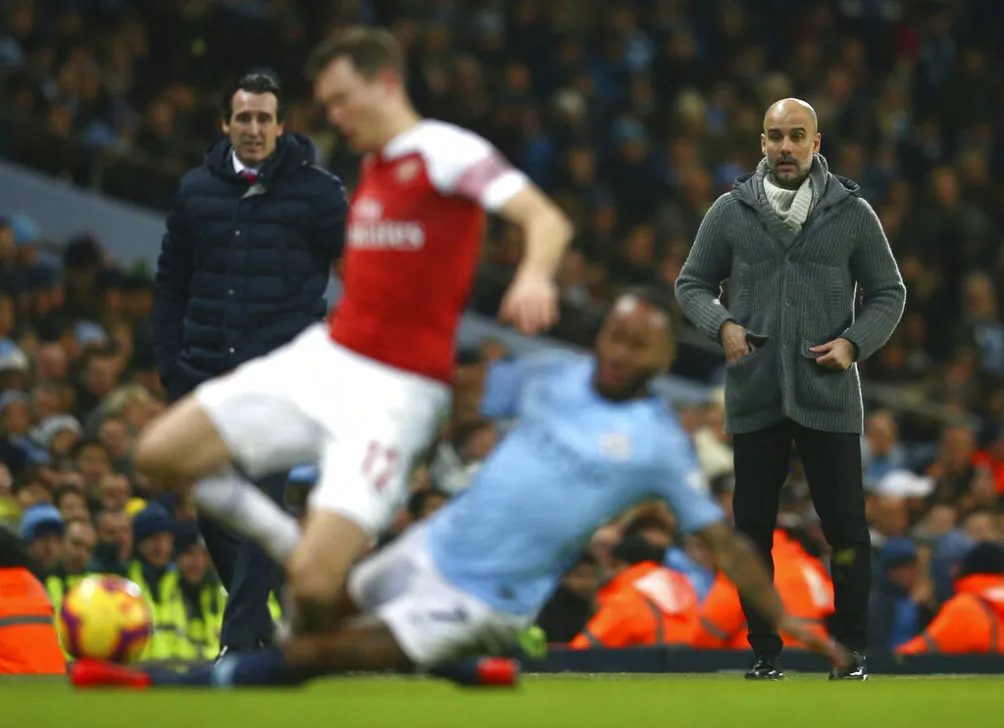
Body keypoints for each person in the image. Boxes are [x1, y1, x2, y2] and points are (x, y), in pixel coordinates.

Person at [71, 291, 847, 690]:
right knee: (315, 602)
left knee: (317, 652)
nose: (617, 350)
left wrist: (778, 617)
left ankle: (154, 685)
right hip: (428, 548)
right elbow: (454, 391)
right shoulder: (550, 376)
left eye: (637, 344)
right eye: (613, 333)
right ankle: (454, 672)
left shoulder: (659, 446)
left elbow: (723, 542)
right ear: (601, 334)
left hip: (484, 600)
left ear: (656, 358)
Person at [132, 25, 571, 639]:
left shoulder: (444, 149)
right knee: (158, 453)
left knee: (311, 593)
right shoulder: (371, 166)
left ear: (385, 83)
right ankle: (300, 548)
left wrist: (534, 276)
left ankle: (397, 598)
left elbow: (543, 218)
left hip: (396, 391)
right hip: (327, 357)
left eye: (342, 100)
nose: (333, 117)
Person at [675, 97, 906, 680]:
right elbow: (691, 284)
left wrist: (855, 344)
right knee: (751, 527)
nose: (785, 146)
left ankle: (851, 650)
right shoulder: (730, 211)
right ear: (761, 143)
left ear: (815, 144)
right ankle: (763, 652)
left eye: (796, 136)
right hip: (754, 392)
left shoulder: (853, 213)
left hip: (828, 393)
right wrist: (721, 325)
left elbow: (889, 292)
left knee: (846, 531)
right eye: (775, 136)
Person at [151, 72, 348, 655]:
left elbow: (363, 272)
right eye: (244, 118)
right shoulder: (194, 191)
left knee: (261, 501)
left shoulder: (320, 193)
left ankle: (238, 644)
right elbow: (171, 284)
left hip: (284, 380)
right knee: (215, 506)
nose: (254, 128)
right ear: (225, 123)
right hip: (205, 375)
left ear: (283, 126)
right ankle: (270, 623)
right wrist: (170, 364)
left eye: (265, 118)